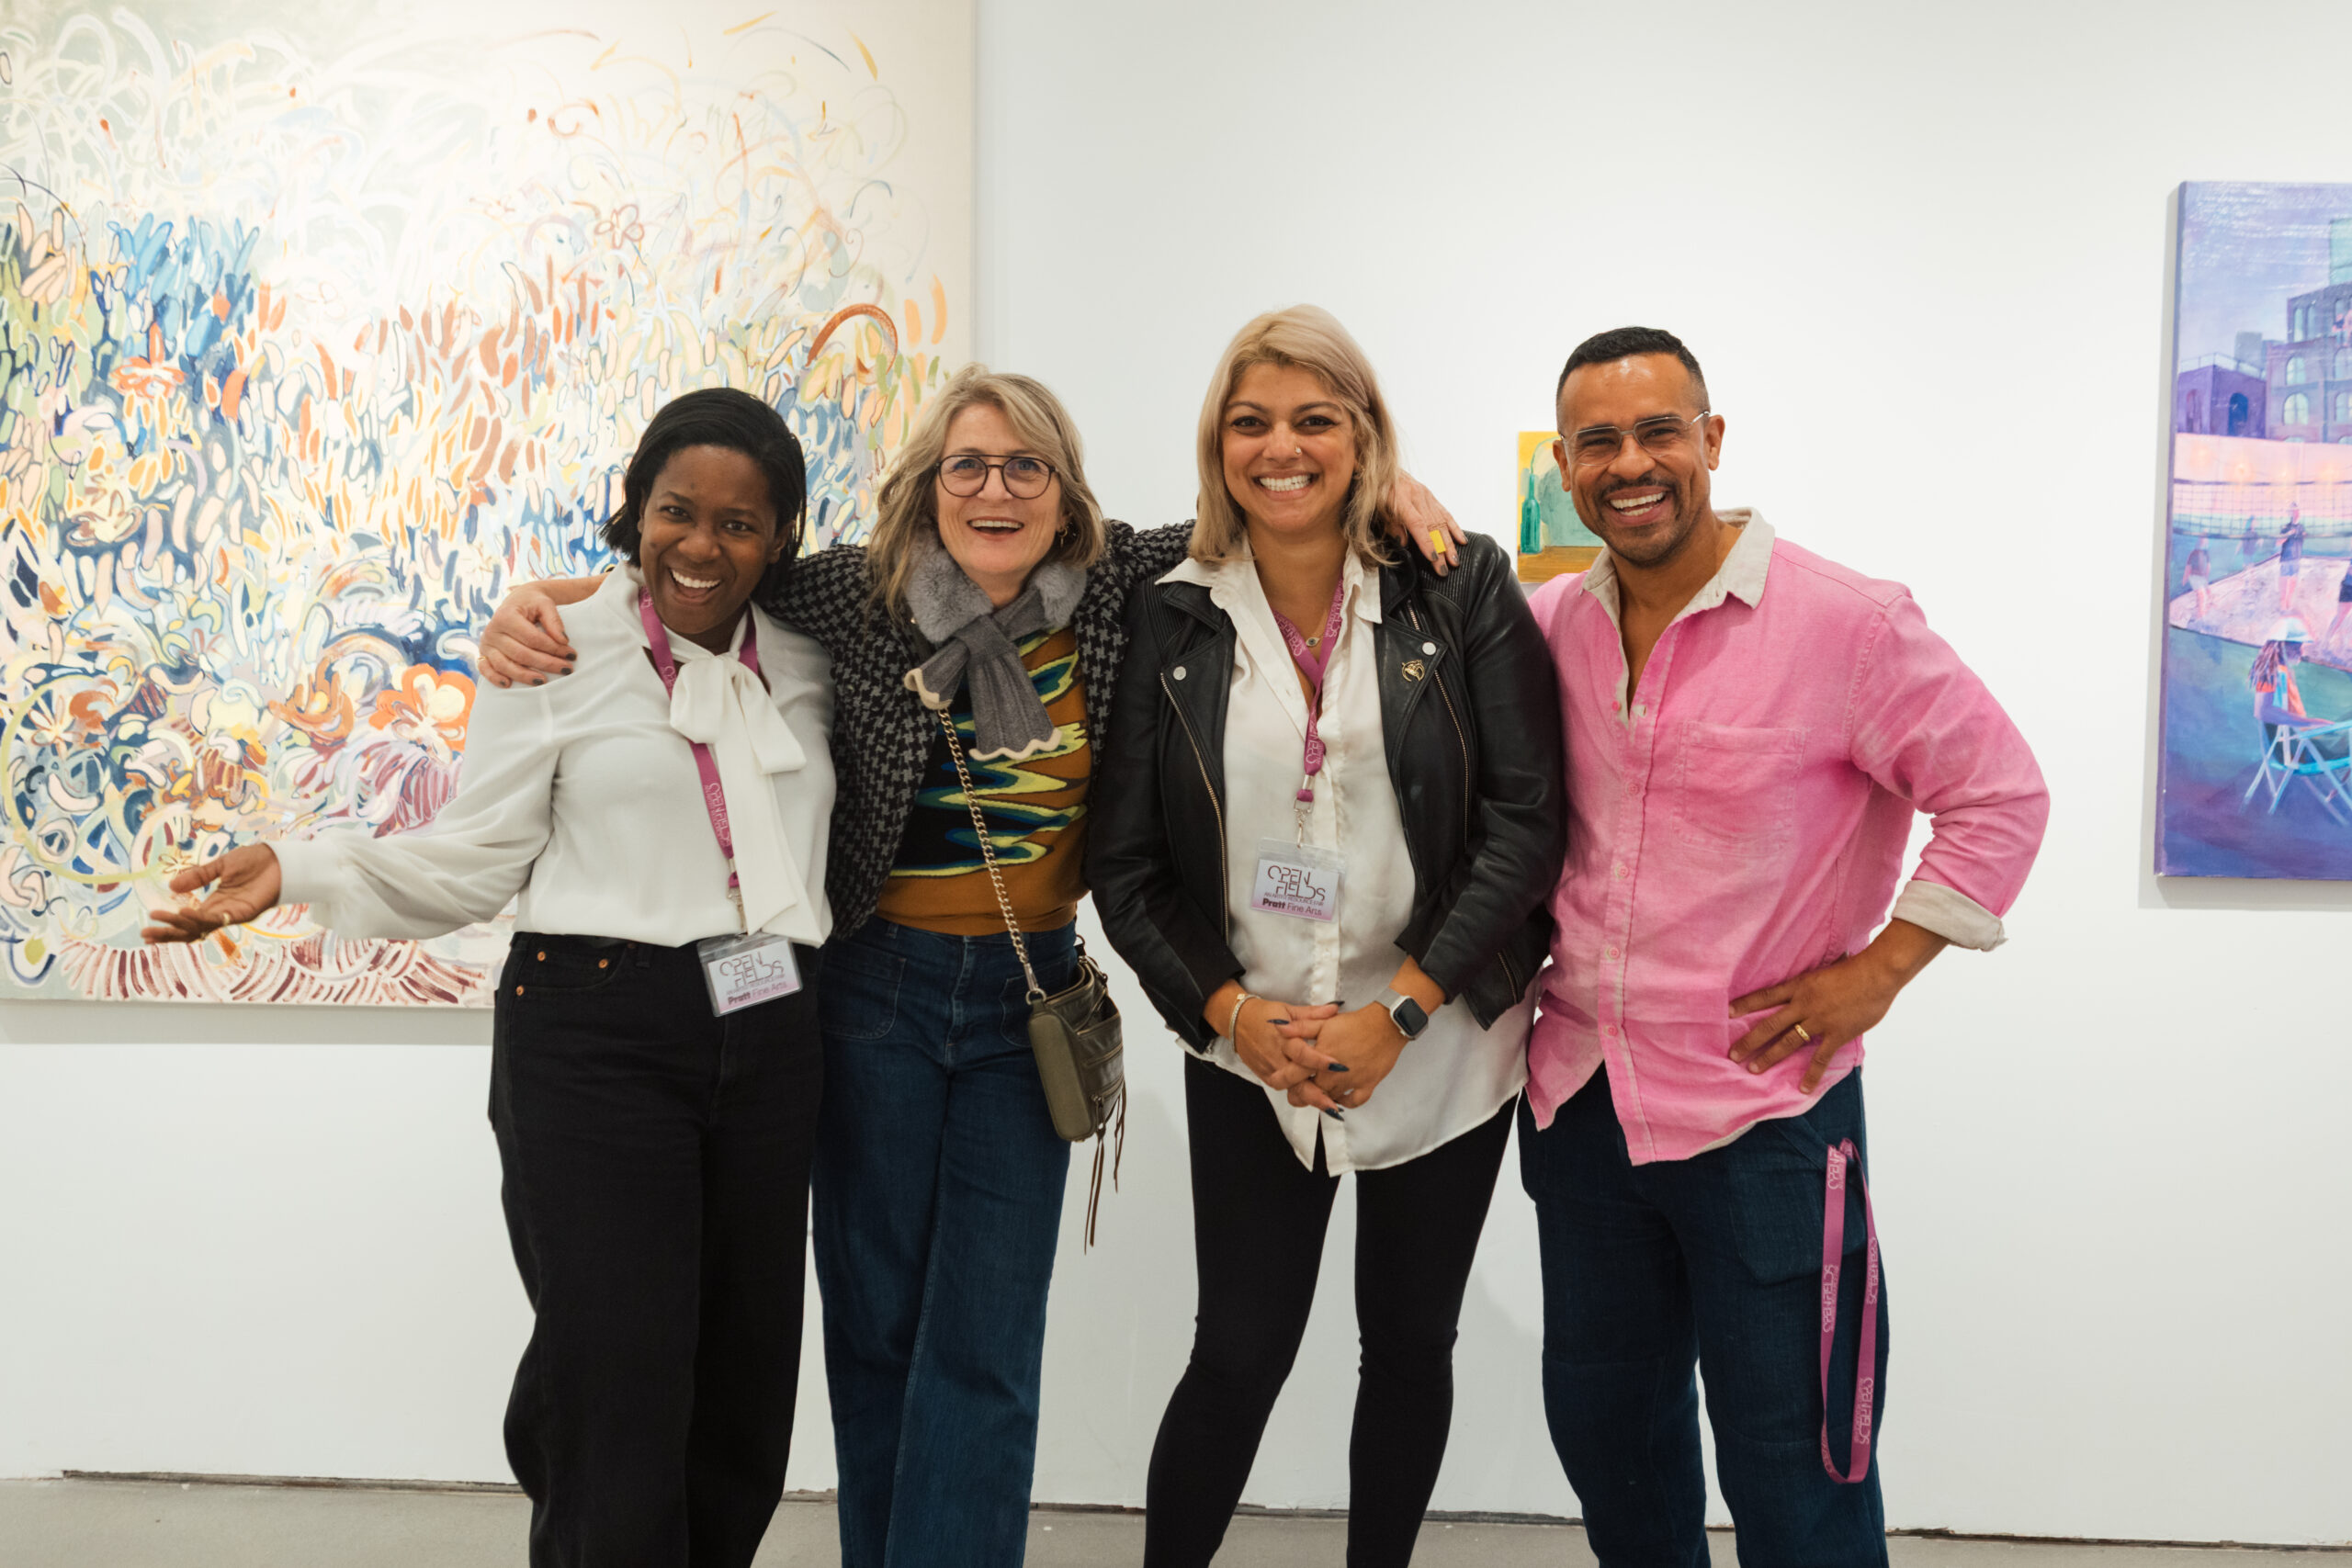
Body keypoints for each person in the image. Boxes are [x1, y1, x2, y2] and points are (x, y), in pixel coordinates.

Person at [476, 367, 1462, 1568]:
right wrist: (547, 600)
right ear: (927, 486)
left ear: (1062, 489)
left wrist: (1389, 486)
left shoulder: (1110, 588)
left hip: (1026, 1002)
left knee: (987, 1352)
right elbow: (695, 570)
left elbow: (1257, 513)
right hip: (869, 994)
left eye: (1024, 467)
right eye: (968, 466)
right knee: (878, 1332)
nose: (996, 490)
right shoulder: (856, 592)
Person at [145, 389, 837, 1568]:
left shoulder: (819, 657)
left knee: (742, 1387)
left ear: (780, 538)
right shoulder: (558, 650)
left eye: (739, 522)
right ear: (633, 512)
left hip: (770, 1028)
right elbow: (472, 865)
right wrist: (299, 865)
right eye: (676, 511)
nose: (702, 545)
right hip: (597, 1026)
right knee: (615, 1375)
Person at [1518, 328, 2049, 1568]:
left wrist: (1881, 968)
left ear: (1712, 440)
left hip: (1766, 1111)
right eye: (1598, 441)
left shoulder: (1847, 622)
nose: (1631, 463)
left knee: (1798, 1457)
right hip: (1582, 1101)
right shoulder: (1549, 623)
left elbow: (2002, 793)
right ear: (1567, 463)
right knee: (1612, 1438)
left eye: (1659, 431)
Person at [1089, 305, 1565, 1568]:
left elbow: (1525, 825)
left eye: (1316, 418)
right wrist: (1238, 1015)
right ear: (1216, 442)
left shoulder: (1458, 585)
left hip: (1439, 1036)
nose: (1280, 447)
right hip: (1253, 1039)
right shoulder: (1165, 609)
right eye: (1252, 421)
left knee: (1410, 1342)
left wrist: (1395, 1010)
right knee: (1236, 1347)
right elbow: (1124, 864)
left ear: (1363, 436)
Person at [2278, 504, 2305, 613]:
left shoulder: (2301, 527)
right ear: (2291, 513)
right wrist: (2288, 534)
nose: (2296, 513)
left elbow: (2302, 539)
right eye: (2294, 511)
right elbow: (2278, 542)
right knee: (2284, 588)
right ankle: (2282, 609)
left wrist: (2303, 535)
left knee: (2292, 586)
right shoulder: (2286, 527)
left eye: (2297, 511)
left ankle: (2288, 606)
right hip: (2286, 559)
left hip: (2296, 559)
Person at [2184, 536, 2212, 619]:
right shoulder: (2194, 553)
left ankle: (2202, 613)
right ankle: (2200, 616)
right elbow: (2188, 567)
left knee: (2209, 595)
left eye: (2206, 540)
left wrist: (2206, 580)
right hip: (2194, 577)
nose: (2204, 541)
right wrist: (2184, 580)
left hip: (2201, 578)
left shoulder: (2206, 553)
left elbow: (2208, 567)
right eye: (2203, 540)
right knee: (2202, 595)